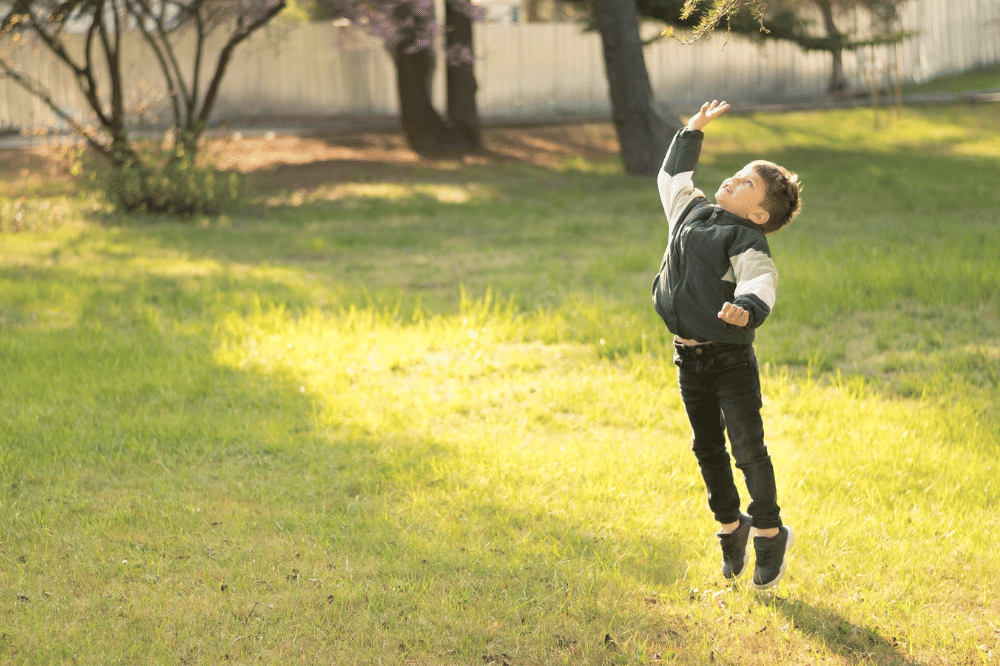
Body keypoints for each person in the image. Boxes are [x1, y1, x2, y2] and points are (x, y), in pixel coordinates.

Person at [651, 100, 802, 590]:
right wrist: (692, 131)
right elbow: (671, 178)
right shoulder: (690, 210)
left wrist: (747, 308)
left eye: (746, 184)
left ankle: (769, 532)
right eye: (736, 174)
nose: (733, 181)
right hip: (687, 357)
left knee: (747, 449)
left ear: (757, 212)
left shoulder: (745, 239)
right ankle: (730, 526)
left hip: (729, 359)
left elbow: (760, 281)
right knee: (706, 448)